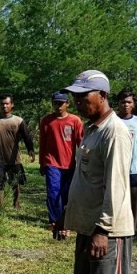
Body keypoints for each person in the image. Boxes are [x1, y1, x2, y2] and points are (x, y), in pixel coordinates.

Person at [62, 69, 134, 274]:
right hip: (89, 225)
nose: (77, 101)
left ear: (102, 96)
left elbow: (116, 187)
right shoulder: (92, 129)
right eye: (75, 96)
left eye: (83, 96)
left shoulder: (115, 132)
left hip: (107, 230)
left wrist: (103, 230)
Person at [39, 91, 84, 240]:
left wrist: (83, 163)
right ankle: (55, 221)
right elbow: (42, 143)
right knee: (53, 193)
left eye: (61, 103)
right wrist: (42, 163)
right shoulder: (46, 121)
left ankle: (67, 223)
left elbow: (81, 143)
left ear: (67, 104)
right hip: (52, 163)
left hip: (70, 164)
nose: (58, 106)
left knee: (67, 195)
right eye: (55, 103)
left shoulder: (75, 121)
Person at [0, 94, 35, 209]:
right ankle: (1, 206)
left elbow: (27, 137)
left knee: (16, 182)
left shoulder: (18, 121)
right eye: (2, 104)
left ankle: (16, 202)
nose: (4, 106)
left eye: (7, 103)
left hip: (14, 158)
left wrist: (31, 150)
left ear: (12, 105)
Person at [117, 89, 137, 237]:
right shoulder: (113, 121)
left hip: (132, 166)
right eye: (123, 102)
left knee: (133, 195)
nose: (126, 105)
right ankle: (117, 225)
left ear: (133, 104)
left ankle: (133, 227)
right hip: (116, 166)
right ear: (118, 104)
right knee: (116, 196)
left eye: (129, 102)